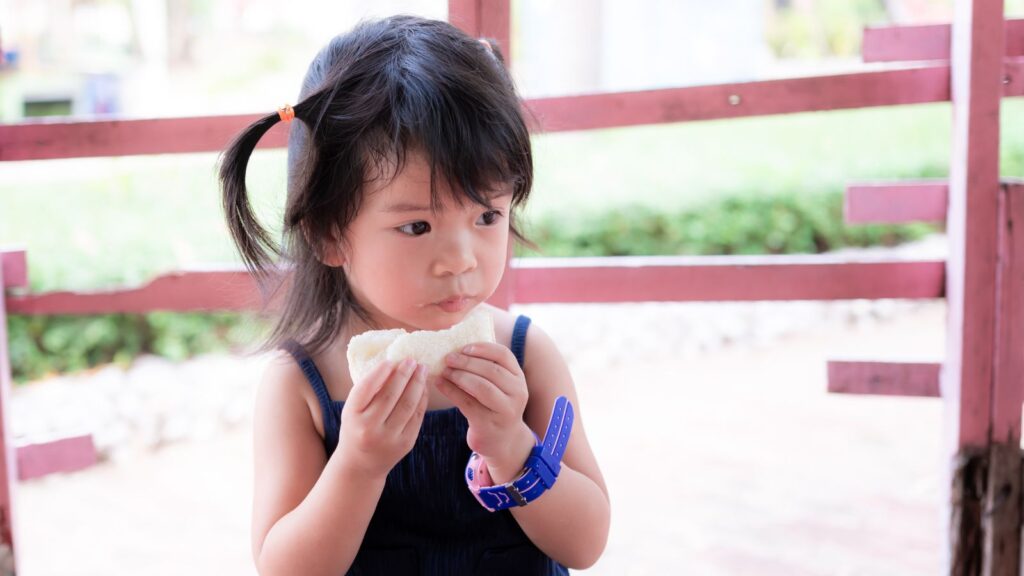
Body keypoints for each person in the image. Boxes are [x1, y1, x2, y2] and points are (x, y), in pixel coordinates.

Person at [219, 15, 609, 576]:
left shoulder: (525, 355)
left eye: (486, 214)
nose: (462, 258)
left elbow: (585, 544)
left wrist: (510, 443)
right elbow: (285, 568)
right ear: (330, 233)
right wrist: (358, 463)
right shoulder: (301, 384)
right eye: (417, 226)